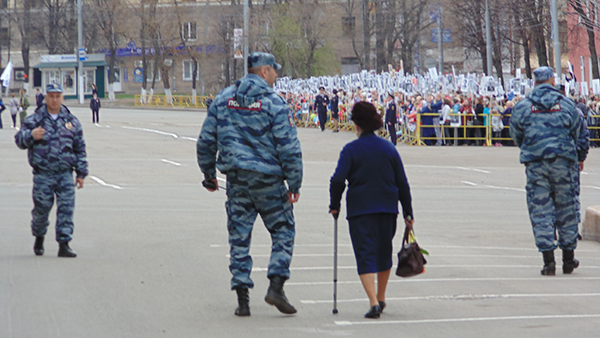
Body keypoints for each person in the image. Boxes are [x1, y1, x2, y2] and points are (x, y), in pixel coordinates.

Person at [197, 52, 303, 317]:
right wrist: (295, 183)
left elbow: (206, 141)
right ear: (264, 71)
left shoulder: (223, 99)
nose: (277, 76)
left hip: (237, 181)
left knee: (239, 237)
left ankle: (243, 300)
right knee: (283, 230)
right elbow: (289, 147)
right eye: (274, 71)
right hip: (268, 181)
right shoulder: (274, 104)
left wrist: (209, 174)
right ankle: (276, 286)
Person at [329, 101, 414, 319]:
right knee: (384, 252)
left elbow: (338, 179)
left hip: (360, 210)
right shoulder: (389, 147)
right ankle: (382, 296)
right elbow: (402, 182)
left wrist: (335, 204)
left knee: (364, 253)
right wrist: (408, 212)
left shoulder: (350, 150)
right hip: (387, 208)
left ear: (356, 124)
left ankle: (373, 302)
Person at [510, 67, 582, 276]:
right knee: (566, 208)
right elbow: (576, 131)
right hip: (563, 163)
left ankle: (548, 261)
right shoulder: (567, 104)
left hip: (536, 164)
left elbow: (516, 135)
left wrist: (533, 148)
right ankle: (568, 259)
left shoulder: (523, 107)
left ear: (534, 82)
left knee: (541, 210)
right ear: (552, 80)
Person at [14, 83, 88, 258]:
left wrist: (81, 173)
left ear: (62, 98)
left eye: (58, 96)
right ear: (46, 97)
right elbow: (19, 140)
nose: (55, 100)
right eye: (51, 96)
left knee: (66, 209)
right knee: (41, 209)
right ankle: (39, 237)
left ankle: (64, 243)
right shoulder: (35, 120)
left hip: (65, 173)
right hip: (43, 174)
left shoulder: (71, 121)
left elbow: (80, 148)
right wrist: (31, 136)